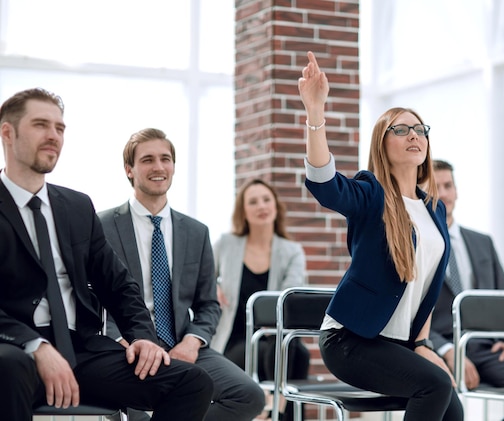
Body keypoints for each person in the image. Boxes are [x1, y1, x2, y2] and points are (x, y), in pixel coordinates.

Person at [0, 88, 213, 421]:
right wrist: (35, 346)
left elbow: (118, 285)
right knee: (6, 369)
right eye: (41, 124)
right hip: (14, 349)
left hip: (81, 350)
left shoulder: (76, 206)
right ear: (7, 133)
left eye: (60, 128)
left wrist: (142, 338)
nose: (53, 135)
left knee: (191, 382)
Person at [297, 51, 463, 421]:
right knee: (434, 385)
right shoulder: (371, 193)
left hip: (397, 344)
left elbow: (425, 287)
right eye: (400, 130)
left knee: (453, 408)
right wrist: (315, 111)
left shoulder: (434, 208)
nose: (413, 136)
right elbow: (324, 185)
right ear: (382, 143)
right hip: (350, 340)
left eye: (419, 129)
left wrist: (421, 344)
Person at [98, 128, 265, 421]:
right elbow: (91, 299)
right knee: (133, 414)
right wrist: (120, 341)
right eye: (147, 159)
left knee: (249, 396)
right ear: (130, 169)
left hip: (182, 345)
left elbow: (208, 304)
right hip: (127, 349)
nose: (159, 167)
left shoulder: (196, 232)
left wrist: (192, 342)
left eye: (165, 159)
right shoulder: (102, 225)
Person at [430, 159, 504, 421]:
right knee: (443, 402)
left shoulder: (482, 242)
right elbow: (410, 313)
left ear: (457, 191)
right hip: (438, 349)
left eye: (448, 186)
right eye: (435, 186)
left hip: (486, 348)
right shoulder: (416, 243)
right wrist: (447, 351)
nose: (444, 194)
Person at [211, 178, 310, 421]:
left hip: (276, 339)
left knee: (287, 348)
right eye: (253, 202)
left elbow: (291, 297)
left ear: (275, 206)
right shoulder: (226, 244)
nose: (261, 206)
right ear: (243, 211)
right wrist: (212, 286)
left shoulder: (291, 251)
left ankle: (270, 408)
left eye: (266, 200)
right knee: (292, 354)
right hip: (235, 341)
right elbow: (199, 279)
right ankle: (276, 408)